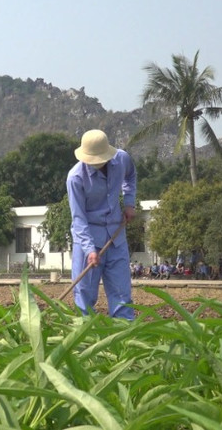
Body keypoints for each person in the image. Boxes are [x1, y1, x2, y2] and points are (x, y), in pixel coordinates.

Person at [67, 129, 136, 320]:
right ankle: (86, 333)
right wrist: (89, 249)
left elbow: (130, 176)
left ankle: (124, 332)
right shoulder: (75, 178)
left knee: (122, 295)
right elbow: (78, 218)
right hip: (88, 239)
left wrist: (129, 203)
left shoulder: (121, 159)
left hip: (116, 237)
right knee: (84, 297)